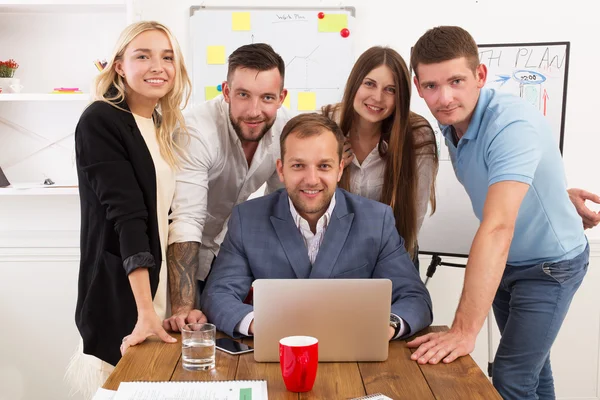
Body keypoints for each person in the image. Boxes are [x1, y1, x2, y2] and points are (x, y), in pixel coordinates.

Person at [406, 26, 589, 399]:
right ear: (417, 85)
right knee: (534, 375)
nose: (444, 97)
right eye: (431, 86)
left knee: (511, 377)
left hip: (549, 267)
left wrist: (462, 330)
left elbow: (498, 226)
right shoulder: (449, 121)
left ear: (480, 76)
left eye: (457, 81)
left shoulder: (510, 123)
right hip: (508, 265)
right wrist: (557, 195)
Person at [201, 113, 433, 340]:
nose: (311, 179)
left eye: (323, 166)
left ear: (340, 169)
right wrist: (257, 324)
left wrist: (388, 325)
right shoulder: (247, 218)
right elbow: (218, 294)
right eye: (299, 165)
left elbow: (414, 297)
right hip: (278, 353)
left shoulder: (377, 219)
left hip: (355, 356)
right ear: (281, 170)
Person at [66, 21, 198, 398]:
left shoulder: (158, 123)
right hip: (125, 293)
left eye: (167, 57)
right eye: (144, 56)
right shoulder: (101, 120)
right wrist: (145, 310)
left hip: (155, 290)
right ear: (120, 65)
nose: (158, 66)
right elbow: (127, 216)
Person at [164, 43, 294, 332]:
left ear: (282, 97)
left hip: (229, 258)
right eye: (243, 95)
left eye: (267, 97)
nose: (254, 110)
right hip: (175, 259)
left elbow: (279, 206)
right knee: (179, 342)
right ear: (225, 91)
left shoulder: (286, 129)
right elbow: (187, 220)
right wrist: (184, 308)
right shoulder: (197, 131)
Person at [322, 47, 438, 269]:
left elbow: (413, 217)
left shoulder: (417, 135)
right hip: (332, 257)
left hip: (395, 253)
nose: (377, 97)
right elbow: (305, 203)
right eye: (369, 83)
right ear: (355, 83)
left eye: (390, 89)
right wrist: (330, 170)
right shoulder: (325, 124)